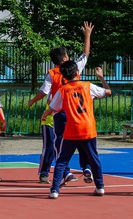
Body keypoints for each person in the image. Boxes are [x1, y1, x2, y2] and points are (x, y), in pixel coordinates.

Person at [28, 21, 94, 184]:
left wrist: (32, 101)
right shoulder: (75, 69)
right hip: (77, 113)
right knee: (81, 141)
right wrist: (87, 35)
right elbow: (86, 53)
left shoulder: (52, 73)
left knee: (59, 145)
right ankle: (86, 167)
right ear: (65, 58)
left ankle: (64, 171)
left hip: (57, 112)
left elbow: (44, 92)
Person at [41, 61, 111, 199]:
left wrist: (44, 114)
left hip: (72, 129)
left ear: (64, 77)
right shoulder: (87, 86)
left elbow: (52, 108)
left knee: (62, 161)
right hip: (88, 128)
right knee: (94, 158)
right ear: (77, 73)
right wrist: (101, 77)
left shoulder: (63, 90)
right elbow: (108, 91)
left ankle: (54, 190)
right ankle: (100, 186)